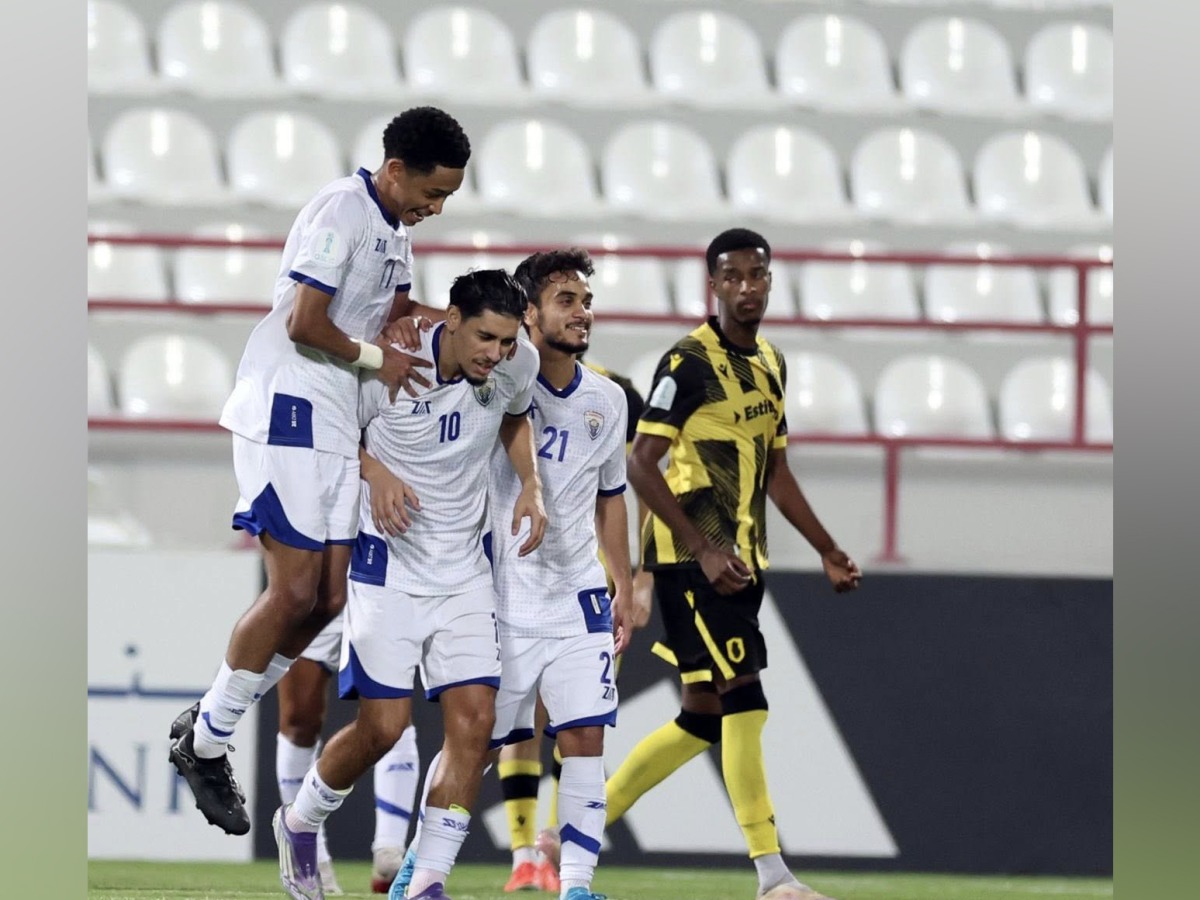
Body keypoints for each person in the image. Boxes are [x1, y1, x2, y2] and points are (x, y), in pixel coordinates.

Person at [168, 106, 472, 838]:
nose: (434, 210)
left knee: (330, 600)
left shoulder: (394, 232)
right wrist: (378, 359)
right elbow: (308, 321)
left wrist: (465, 322)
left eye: (446, 200)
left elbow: (393, 310)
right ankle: (207, 741)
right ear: (394, 169)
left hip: (337, 418)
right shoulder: (342, 209)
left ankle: (211, 717)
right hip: (290, 406)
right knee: (297, 588)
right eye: (431, 194)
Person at [548, 229, 863, 900]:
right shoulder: (687, 362)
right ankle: (772, 875)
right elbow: (639, 462)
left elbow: (777, 473)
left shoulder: (772, 362)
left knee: (701, 714)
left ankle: (573, 830)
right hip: (695, 563)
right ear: (713, 285)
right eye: (734, 276)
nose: (748, 286)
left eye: (759, 274)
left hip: (743, 560)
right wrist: (703, 547)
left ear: (771, 282)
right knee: (745, 697)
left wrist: (827, 548)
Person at [274, 268, 546, 900]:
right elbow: (335, 431)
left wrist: (529, 481)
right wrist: (374, 472)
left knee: (475, 726)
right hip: (387, 568)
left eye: (507, 342)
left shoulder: (516, 363)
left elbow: (513, 418)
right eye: (485, 338)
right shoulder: (389, 359)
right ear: (450, 320)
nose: (496, 354)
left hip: (464, 574)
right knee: (383, 729)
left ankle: (425, 881)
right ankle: (300, 820)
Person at [390, 249, 639, 900]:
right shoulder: (493, 385)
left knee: (585, 734)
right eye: (566, 300)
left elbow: (612, 495)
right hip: (501, 597)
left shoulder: (609, 400)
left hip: (576, 595)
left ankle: (577, 885)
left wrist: (625, 582)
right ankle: (421, 859)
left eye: (586, 300)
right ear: (529, 313)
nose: (582, 312)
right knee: (478, 746)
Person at [497, 359, 652, 895]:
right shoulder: (531, 382)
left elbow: (625, 496)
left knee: (576, 725)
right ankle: (522, 854)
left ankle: (550, 853)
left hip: (591, 588)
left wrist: (636, 580)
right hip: (525, 578)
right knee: (519, 725)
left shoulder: (604, 398)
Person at [275, 625, 421, 894]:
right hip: (325, 593)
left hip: (381, 587)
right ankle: (312, 857)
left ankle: (390, 851)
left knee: (391, 712)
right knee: (299, 720)